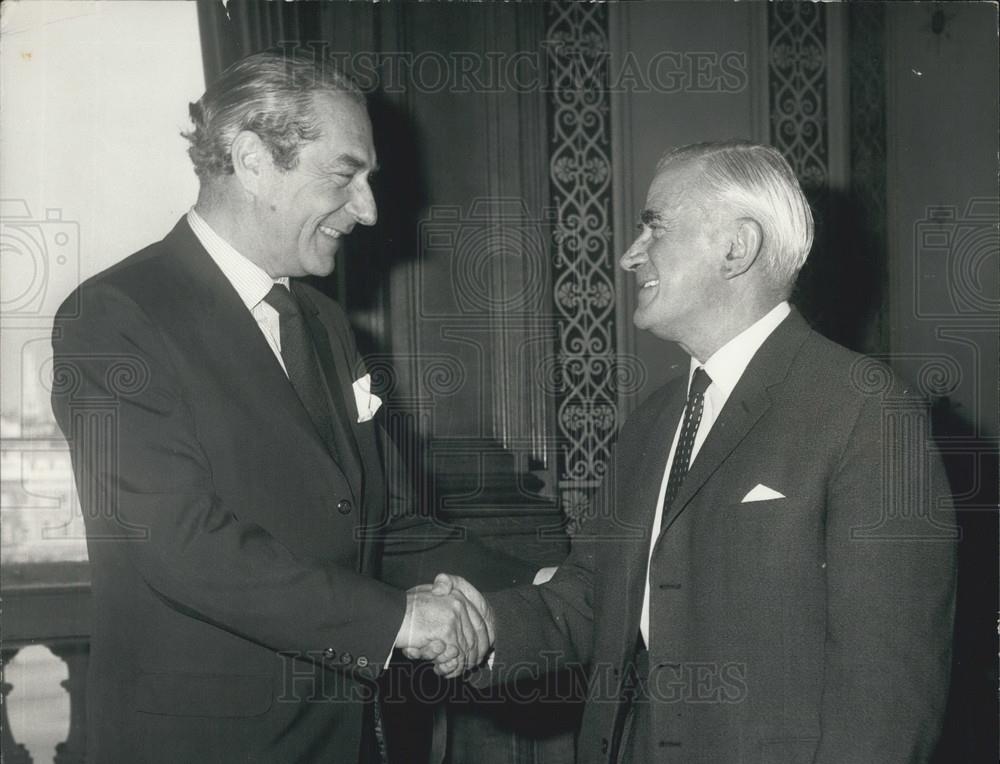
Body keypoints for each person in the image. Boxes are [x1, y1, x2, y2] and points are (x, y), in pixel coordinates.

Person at [435, 141, 958, 763]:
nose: (631, 255)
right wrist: (483, 628)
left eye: (654, 226)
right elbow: (592, 596)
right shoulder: (654, 422)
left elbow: (885, 698)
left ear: (737, 246)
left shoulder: (866, 412)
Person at [50, 50, 497, 763]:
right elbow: (178, 543)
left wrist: (546, 582)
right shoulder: (116, 316)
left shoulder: (321, 323)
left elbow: (374, 524)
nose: (369, 209)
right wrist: (401, 620)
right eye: (346, 175)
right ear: (254, 159)